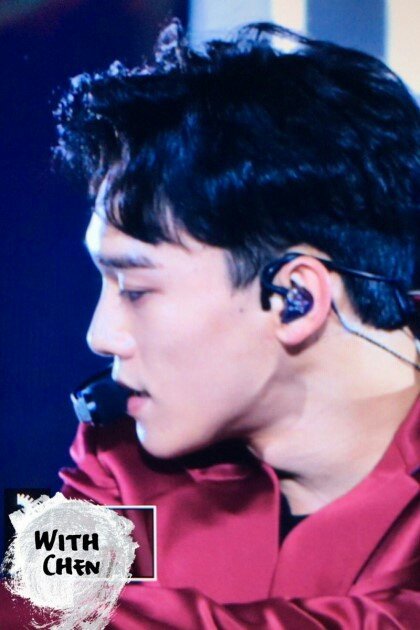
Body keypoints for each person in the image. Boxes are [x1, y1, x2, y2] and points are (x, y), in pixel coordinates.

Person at [2, 19, 420, 628]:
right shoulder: (119, 458)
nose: (100, 336)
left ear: (295, 299)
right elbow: (35, 608)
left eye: (136, 289)